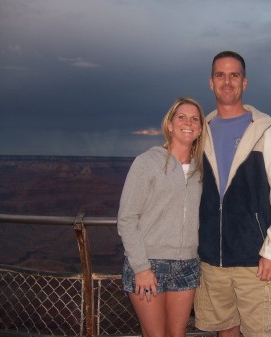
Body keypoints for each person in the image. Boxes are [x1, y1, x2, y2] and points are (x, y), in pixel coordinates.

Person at [194, 51, 271, 337]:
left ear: (244, 82)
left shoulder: (267, 131)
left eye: (234, 75)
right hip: (213, 260)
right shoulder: (200, 132)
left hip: (255, 261)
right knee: (225, 331)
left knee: (260, 332)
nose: (227, 81)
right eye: (220, 75)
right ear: (211, 83)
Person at [117, 96, 207, 337]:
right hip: (149, 262)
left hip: (187, 264)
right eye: (182, 117)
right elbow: (127, 219)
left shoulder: (201, 169)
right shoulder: (147, 162)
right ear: (169, 124)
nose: (188, 122)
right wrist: (141, 267)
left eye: (194, 119)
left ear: (200, 128)